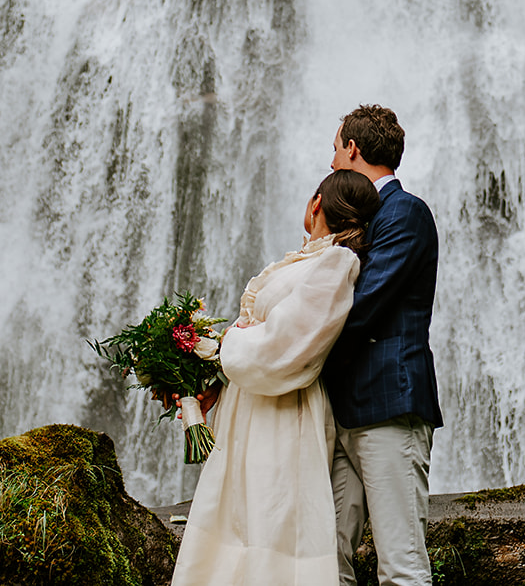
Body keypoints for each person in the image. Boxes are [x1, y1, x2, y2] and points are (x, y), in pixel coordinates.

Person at [170, 169, 382, 586]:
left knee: (271, 519)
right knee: (233, 520)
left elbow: (289, 346)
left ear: (317, 203)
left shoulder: (336, 262)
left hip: (284, 415)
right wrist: (214, 373)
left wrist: (225, 347)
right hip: (249, 408)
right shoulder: (307, 258)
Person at [323, 105, 444, 586]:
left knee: (401, 567)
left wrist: (277, 345)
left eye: (335, 149)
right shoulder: (356, 217)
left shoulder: (405, 212)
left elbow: (362, 306)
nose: (331, 162)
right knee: (324, 563)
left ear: (352, 148)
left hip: (389, 408)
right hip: (341, 413)